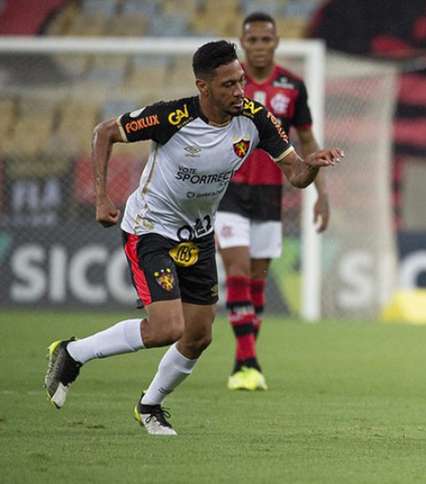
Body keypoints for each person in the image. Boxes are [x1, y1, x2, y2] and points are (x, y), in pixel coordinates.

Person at [43, 40, 342, 436]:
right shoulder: (172, 116)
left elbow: (296, 175)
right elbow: (104, 133)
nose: (240, 92)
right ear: (203, 86)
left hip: (198, 234)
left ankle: (150, 406)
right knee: (167, 327)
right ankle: (72, 353)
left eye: (241, 82)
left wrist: (313, 167)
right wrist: (101, 196)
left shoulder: (255, 119)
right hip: (151, 227)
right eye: (229, 85)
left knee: (199, 335)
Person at [215, 12, 329, 392]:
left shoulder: (292, 86)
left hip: (269, 194)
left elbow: (308, 142)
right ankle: (248, 361)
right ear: (243, 43)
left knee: (258, 281)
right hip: (228, 189)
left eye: (267, 39)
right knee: (238, 270)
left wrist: (321, 193)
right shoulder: (230, 85)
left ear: (277, 42)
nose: (260, 46)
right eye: (253, 40)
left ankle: (243, 361)